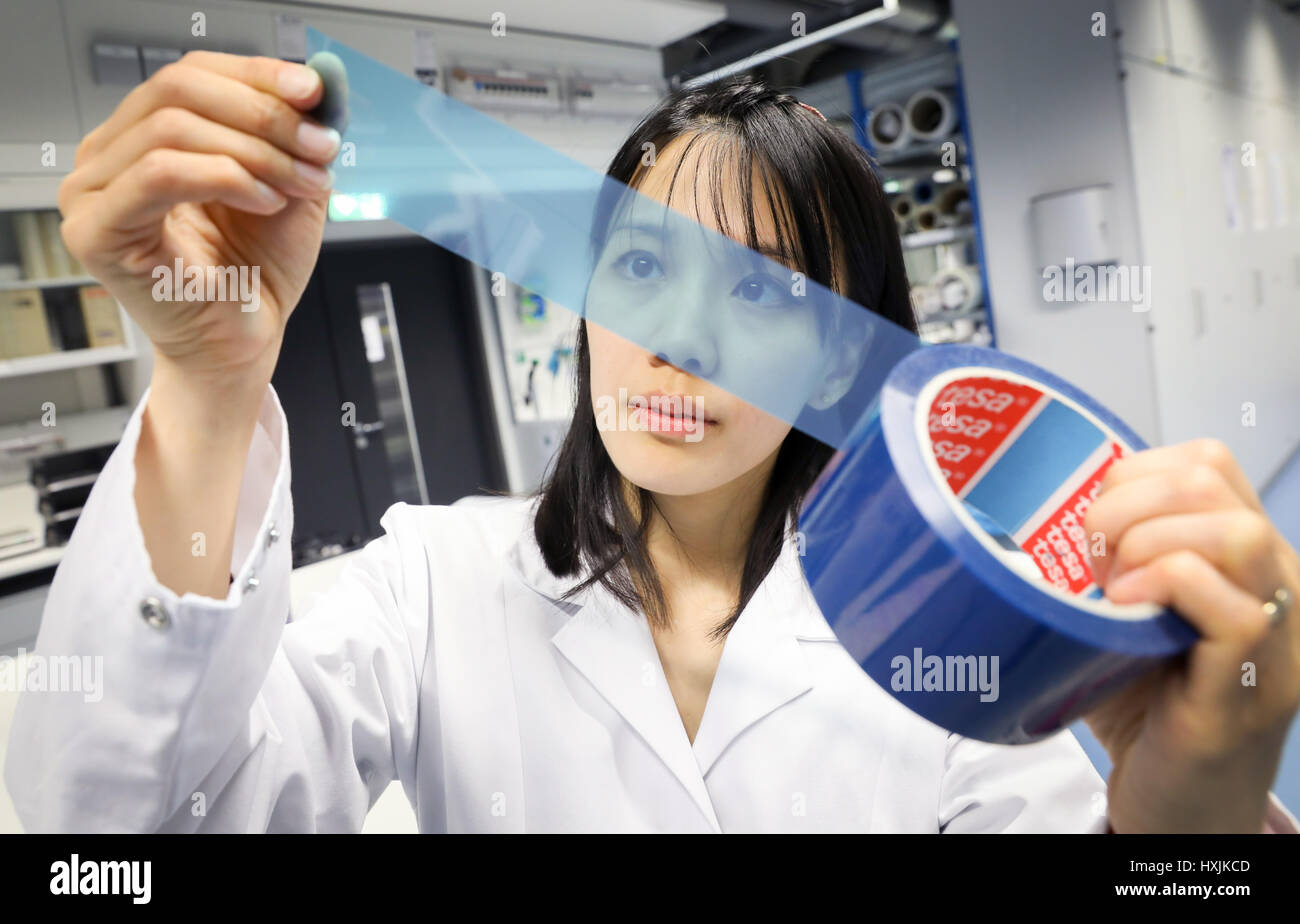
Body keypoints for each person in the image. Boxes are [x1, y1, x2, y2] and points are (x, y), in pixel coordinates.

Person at [4, 52, 1297, 833]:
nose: (677, 340)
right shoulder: (435, 584)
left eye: (762, 292)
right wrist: (206, 382)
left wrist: (1196, 829)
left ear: (847, 362)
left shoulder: (937, 651)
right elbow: (109, 843)